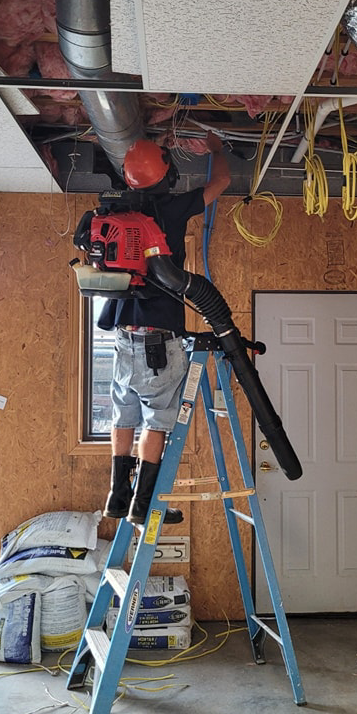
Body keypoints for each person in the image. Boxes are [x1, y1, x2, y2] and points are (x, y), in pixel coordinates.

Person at [99, 131, 230, 525]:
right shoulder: (171, 210)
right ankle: (141, 505)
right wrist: (217, 149)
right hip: (159, 338)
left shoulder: (116, 211)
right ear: (167, 175)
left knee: (123, 412)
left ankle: (117, 496)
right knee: (156, 417)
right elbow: (220, 182)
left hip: (124, 333)